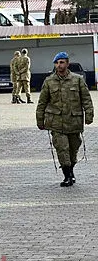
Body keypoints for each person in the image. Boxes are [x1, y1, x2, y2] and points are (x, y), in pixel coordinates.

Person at [36, 52, 94, 187]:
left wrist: (89, 115)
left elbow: (86, 99)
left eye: (61, 62)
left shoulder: (77, 79)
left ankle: (71, 171)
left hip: (74, 121)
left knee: (73, 149)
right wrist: (40, 120)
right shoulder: (49, 81)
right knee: (62, 149)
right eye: (56, 63)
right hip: (56, 122)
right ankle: (67, 176)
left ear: (67, 63)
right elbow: (42, 103)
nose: (59, 65)